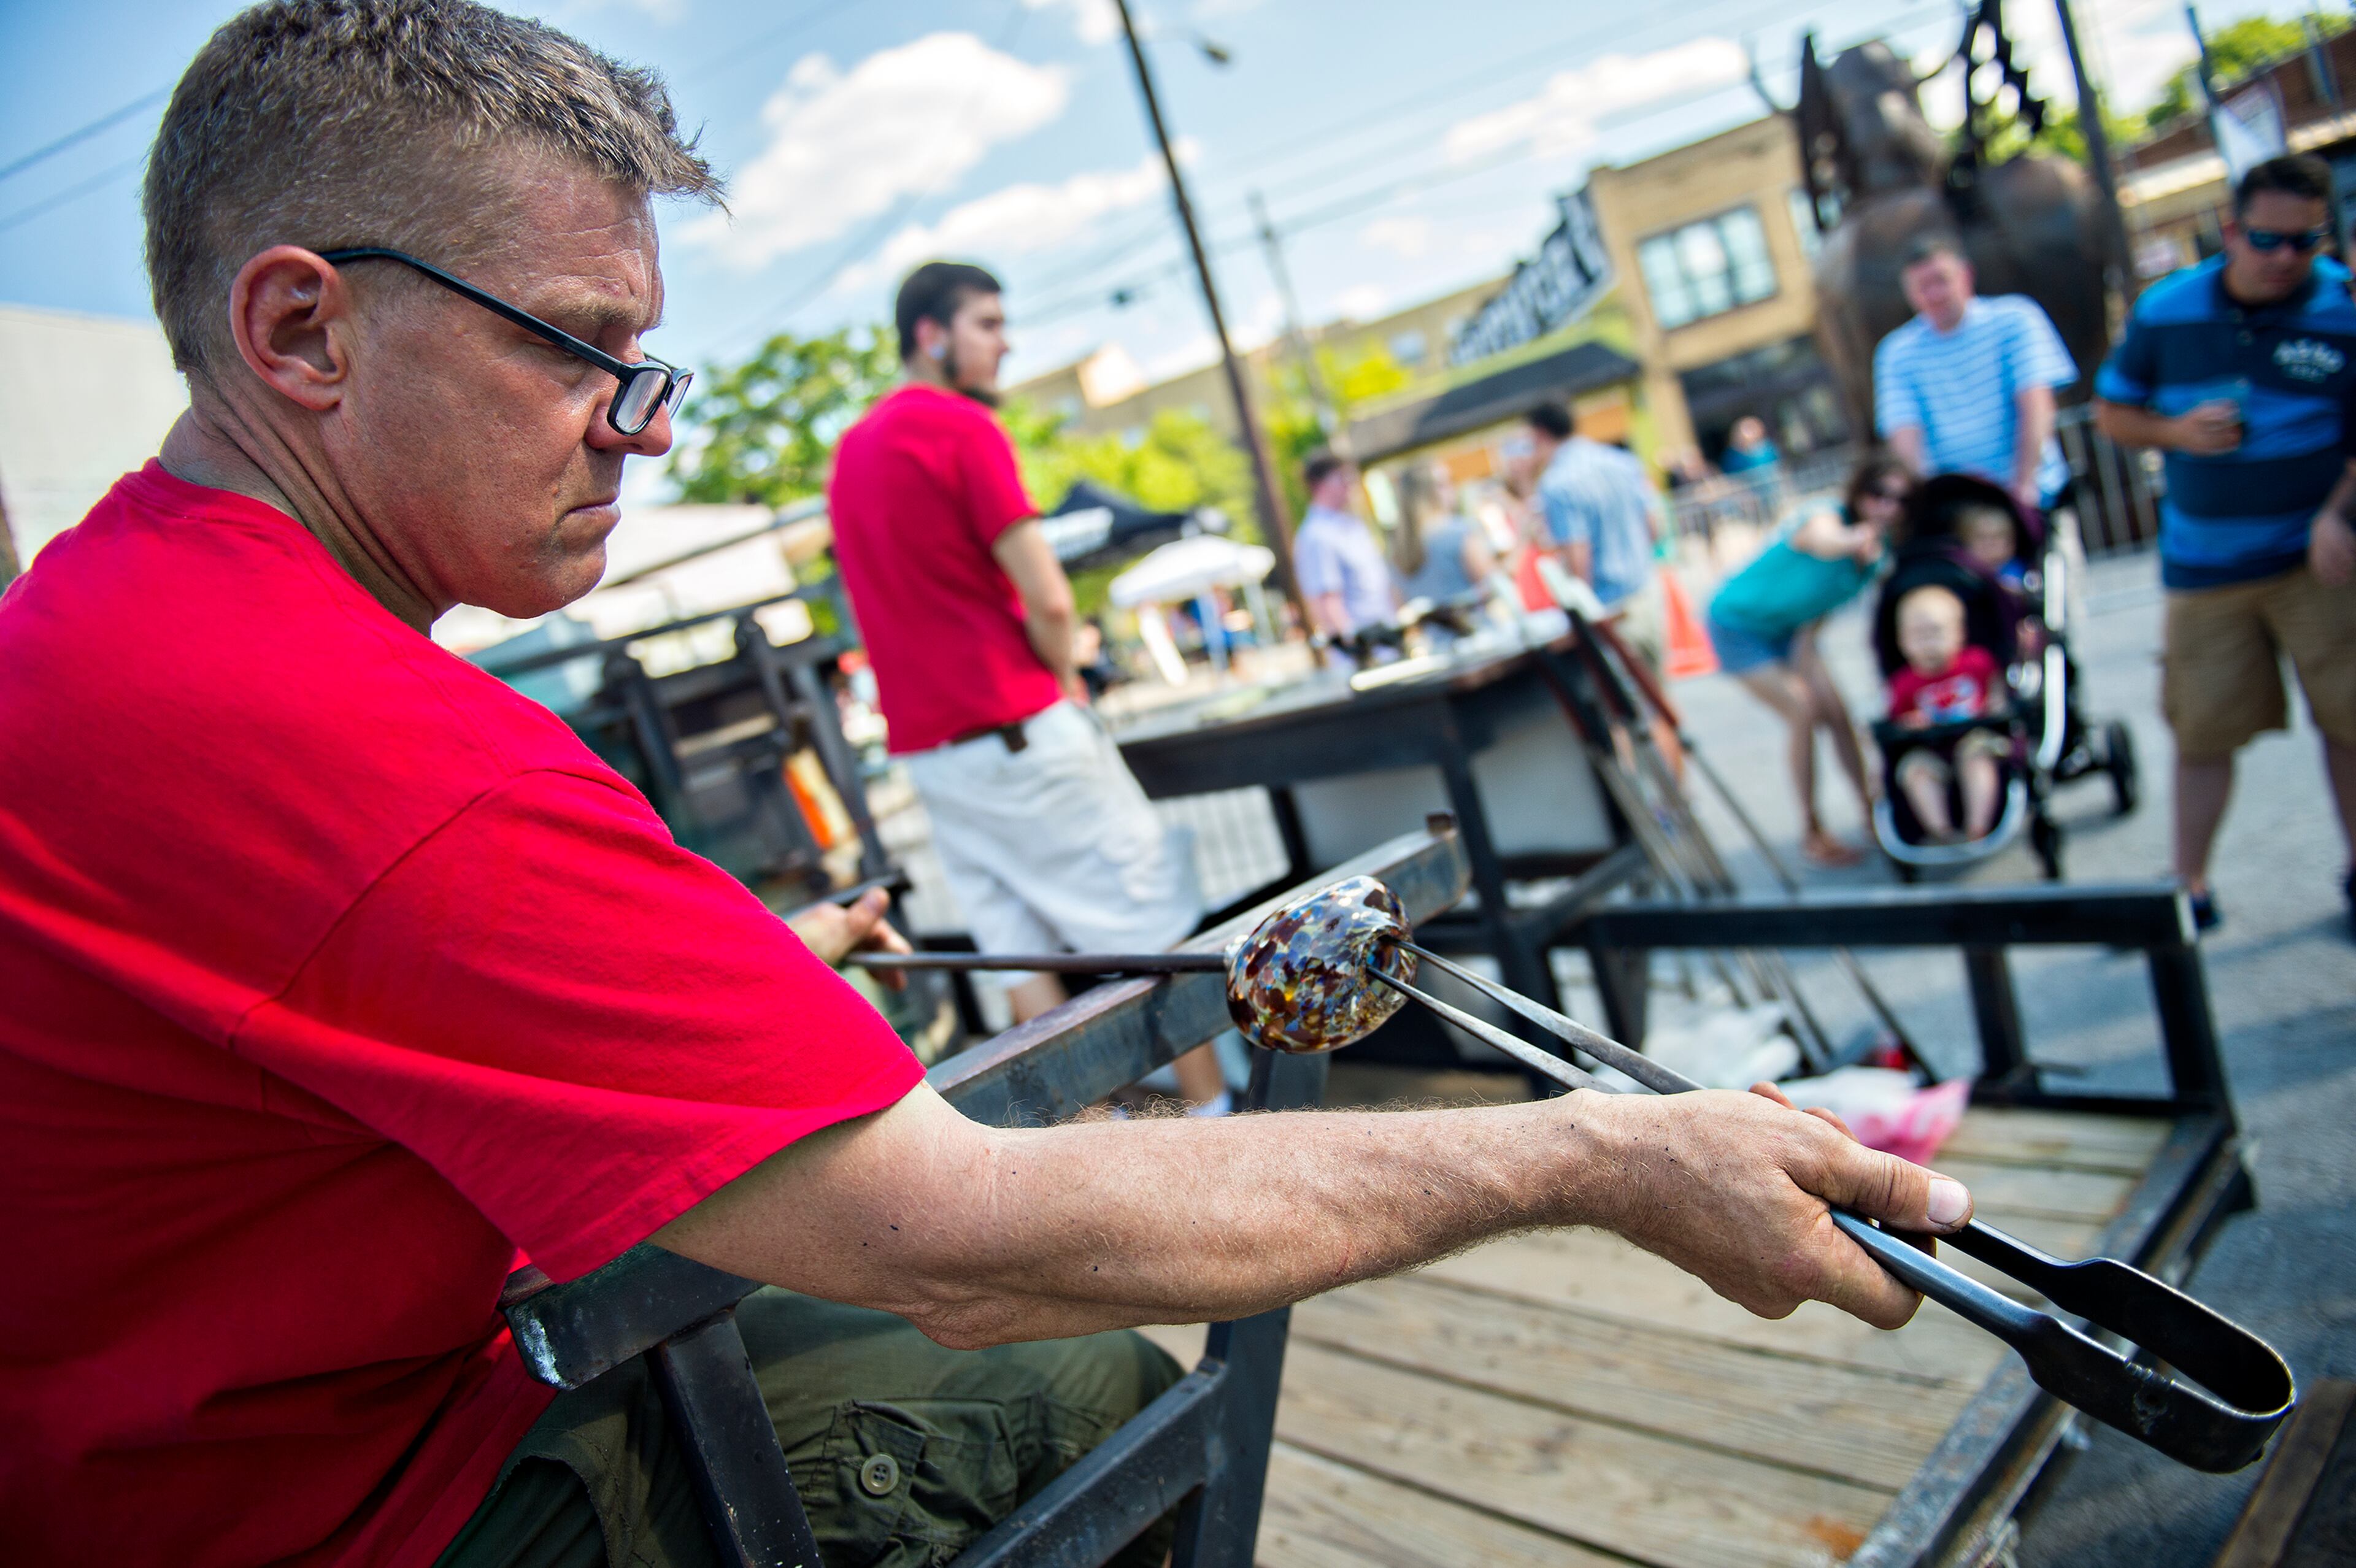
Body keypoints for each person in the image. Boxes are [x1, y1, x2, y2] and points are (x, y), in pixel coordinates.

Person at [0, 4, 1982, 1564]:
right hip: (334, 1506)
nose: (641, 427)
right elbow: (962, 1235)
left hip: (150, 1450)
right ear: (301, 326)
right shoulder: (359, 739)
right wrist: (1601, 1157)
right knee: (1082, 1388)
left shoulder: (114, 610)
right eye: (585, 348)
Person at [826, 262, 1227, 1109]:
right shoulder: (963, 431)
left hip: (934, 760)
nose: (1006, 343)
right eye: (988, 324)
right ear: (932, 335)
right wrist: (1063, 675)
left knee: (1018, 948)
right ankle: (1214, 1115)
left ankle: (1083, 1136)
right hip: (1018, 726)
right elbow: (1046, 594)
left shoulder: (852, 456)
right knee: (1151, 926)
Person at [2093, 153, 2356, 934]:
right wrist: (2173, 431)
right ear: (2232, 232)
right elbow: (2113, 413)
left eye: (2306, 242)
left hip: (2318, 564)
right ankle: (2187, 888)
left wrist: (2339, 513)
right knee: (2201, 731)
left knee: (2348, 720)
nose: (2286, 259)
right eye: (2269, 241)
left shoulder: (2344, 309)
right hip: (2206, 568)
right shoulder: (2167, 309)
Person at [1706, 454, 1910, 867]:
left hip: (1793, 632)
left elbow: (1819, 610)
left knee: (1837, 713)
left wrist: (1806, 655)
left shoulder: (1877, 554)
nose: (1886, 507)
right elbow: (1824, 539)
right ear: (1860, 493)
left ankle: (1872, 813)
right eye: (1878, 495)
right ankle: (1811, 830)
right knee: (1801, 710)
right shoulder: (1827, 516)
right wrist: (1855, 541)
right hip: (1738, 625)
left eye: (1898, 500)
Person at [1873, 234, 2079, 513]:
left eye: (1941, 281)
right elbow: (1905, 437)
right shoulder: (1896, 353)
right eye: (1922, 287)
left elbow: (2036, 403)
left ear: (1966, 275)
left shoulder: (2016, 318)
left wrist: (2024, 488)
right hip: (1959, 512)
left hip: (2035, 497)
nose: (1934, 295)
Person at [1887, 585, 2008, 843]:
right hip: (1931, 750)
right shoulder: (1903, 683)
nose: (1929, 644)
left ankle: (1978, 826)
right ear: (1902, 641)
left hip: (1974, 739)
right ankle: (1940, 831)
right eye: (1919, 636)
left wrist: (1996, 702)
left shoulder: (1977, 663)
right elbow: (1897, 722)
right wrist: (1910, 725)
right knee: (1915, 771)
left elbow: (1996, 687)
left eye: (1937, 633)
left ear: (1959, 634)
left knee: (1979, 758)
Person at [1293, 449, 1398, 642]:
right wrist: (1356, 647)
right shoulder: (1316, 535)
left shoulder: (1353, 525)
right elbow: (1326, 601)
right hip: (1366, 647)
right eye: (1342, 479)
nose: (1351, 485)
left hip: (1386, 636)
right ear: (1319, 485)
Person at [1395, 460, 1498, 605]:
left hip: (1432, 628)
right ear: (1429, 493)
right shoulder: (1459, 531)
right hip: (1474, 625)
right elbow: (1494, 584)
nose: (1453, 488)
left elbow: (1401, 606)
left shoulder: (1399, 554)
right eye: (1445, 484)